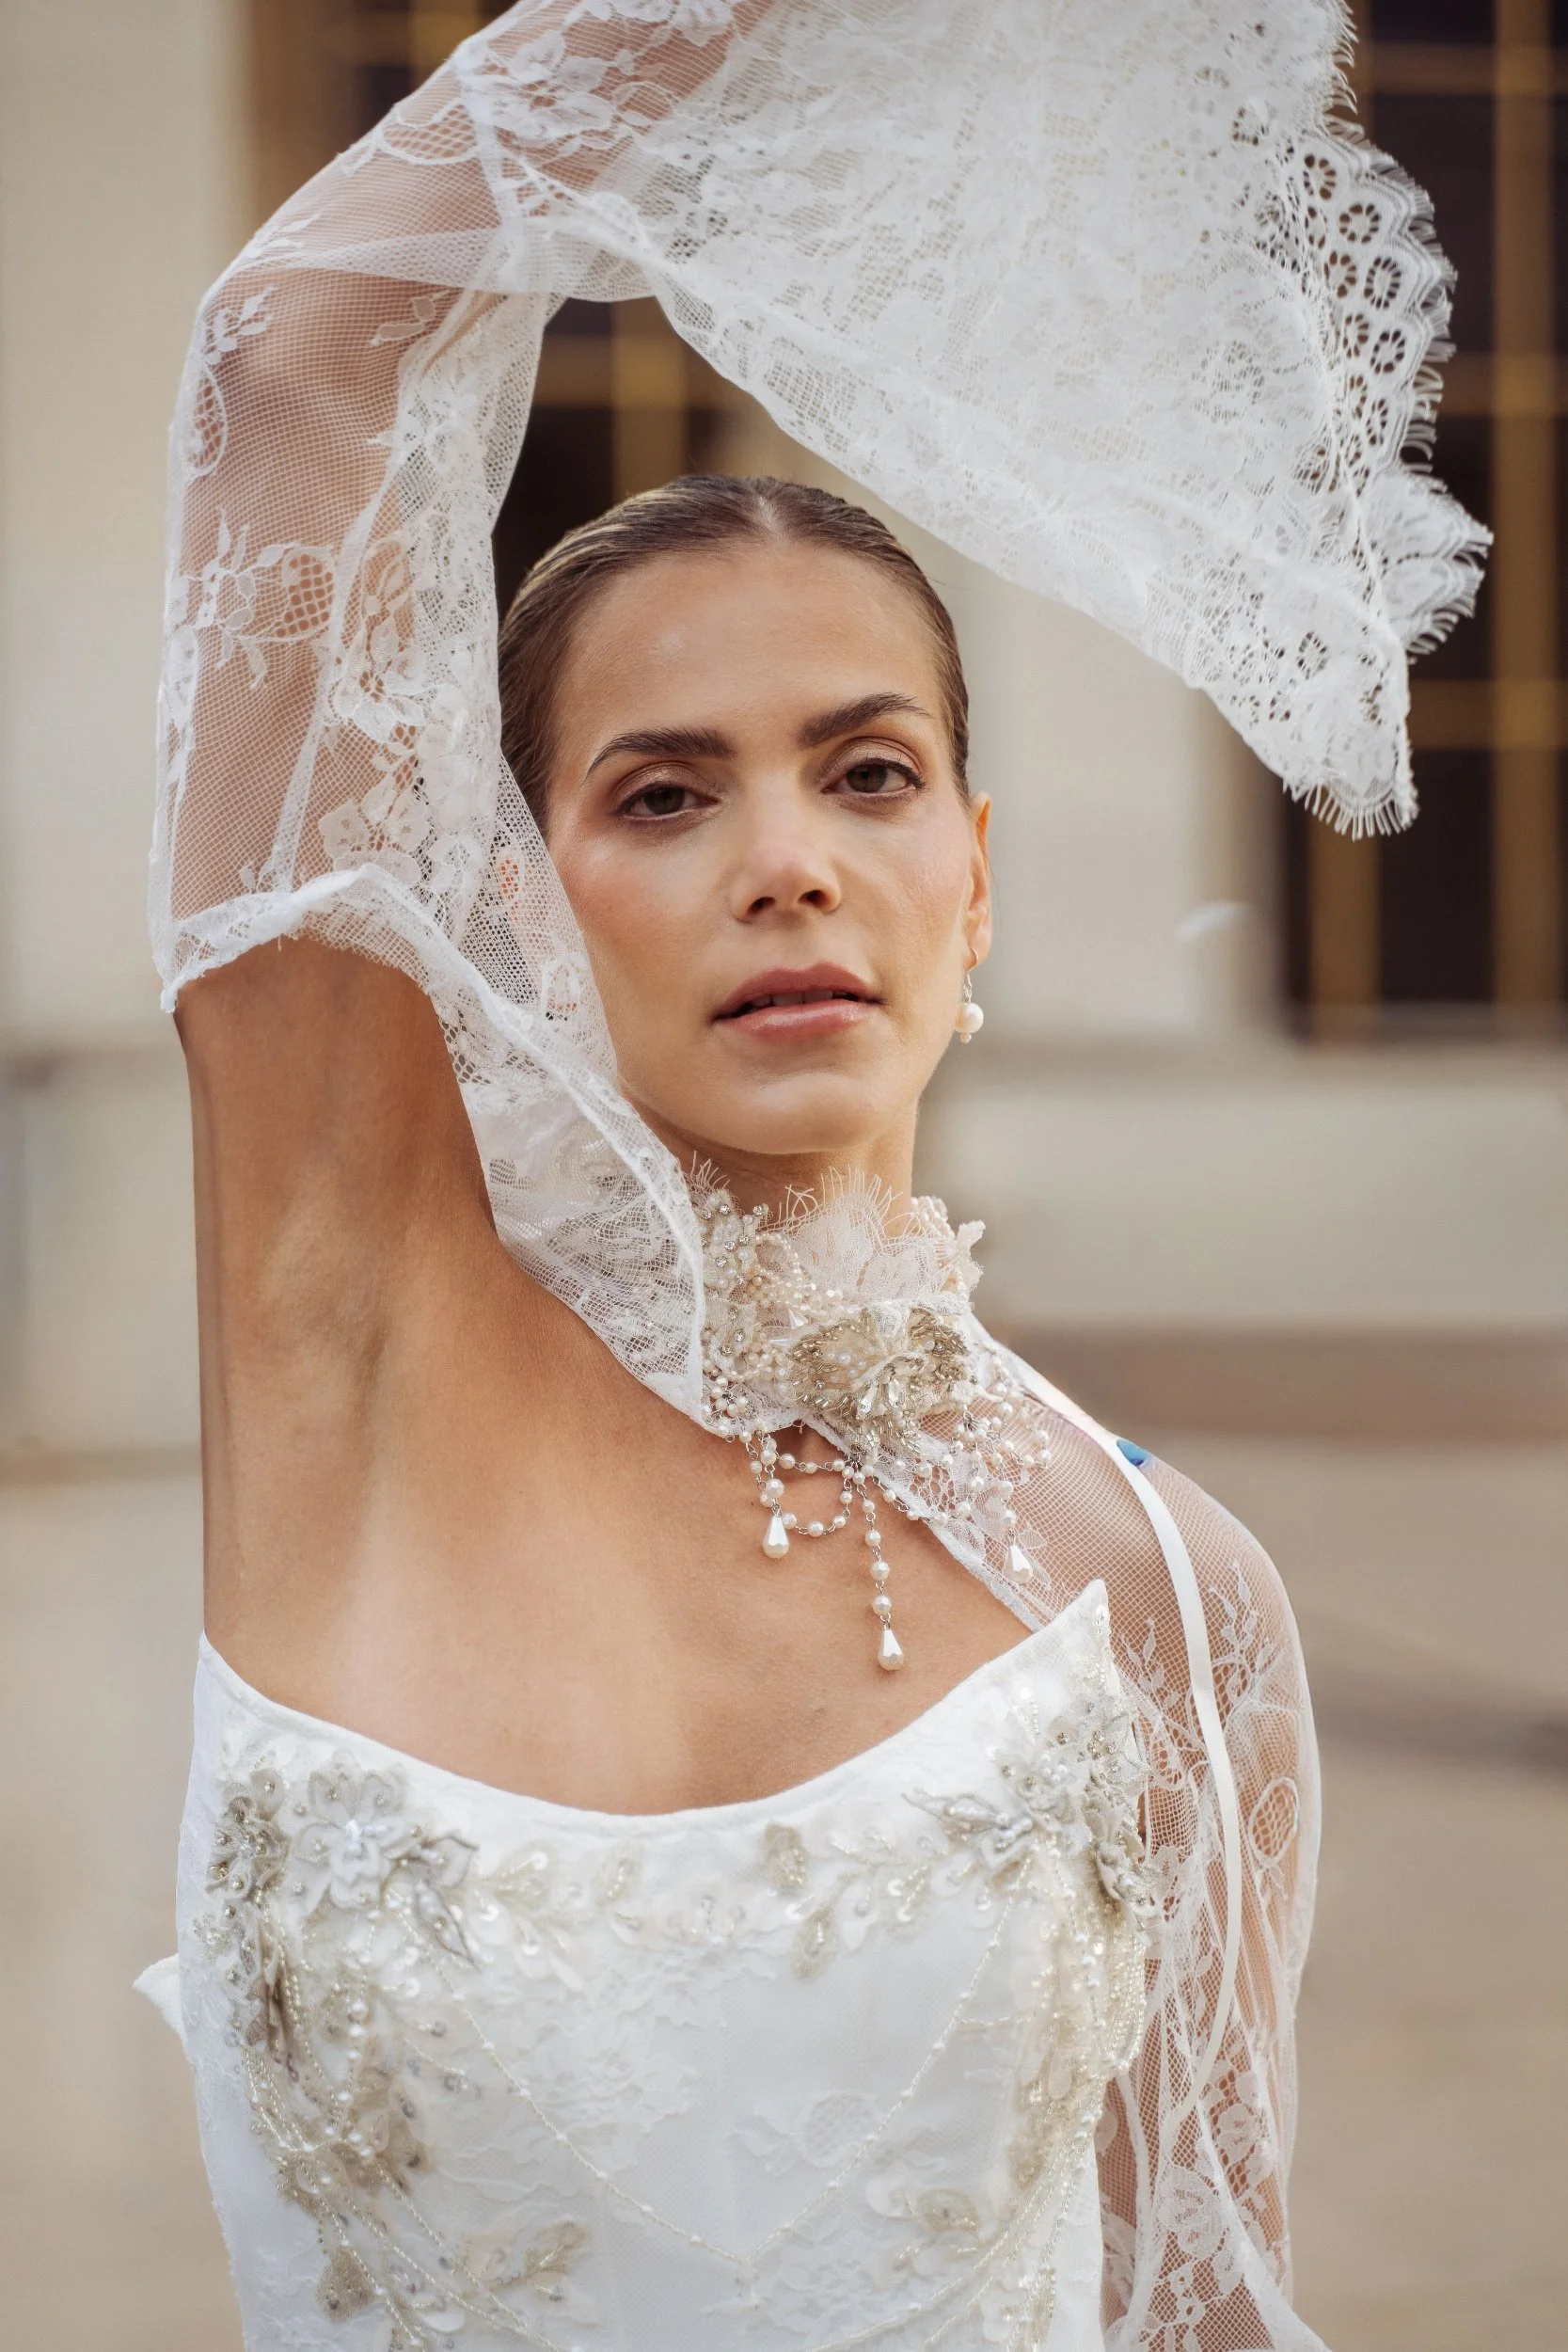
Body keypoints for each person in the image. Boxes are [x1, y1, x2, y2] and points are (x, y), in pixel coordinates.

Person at [137, 6, 1483, 2347]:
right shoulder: (351, 1325)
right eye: (663, 795)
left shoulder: (1166, 1591)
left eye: (864, 774)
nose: (785, 860)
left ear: (974, 873)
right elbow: (288, 361)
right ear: (518, 905)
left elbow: (1205, 2303)